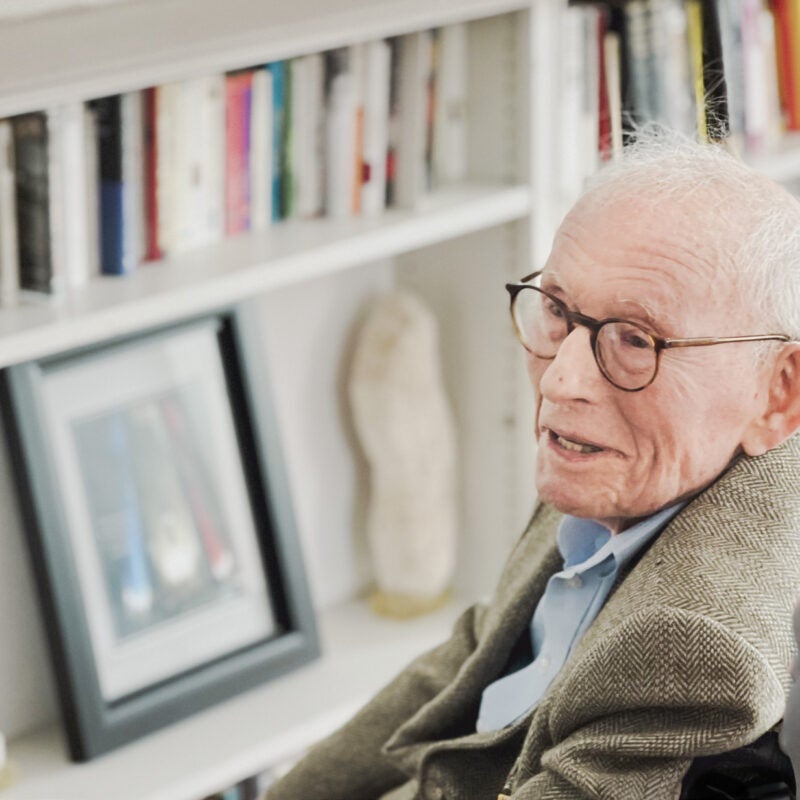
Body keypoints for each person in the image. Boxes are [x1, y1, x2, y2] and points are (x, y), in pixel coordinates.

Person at [265, 129, 800, 799]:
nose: (562, 381)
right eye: (556, 309)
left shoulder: (695, 646)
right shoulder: (625, 458)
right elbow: (477, 657)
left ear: (779, 393)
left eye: (636, 338)